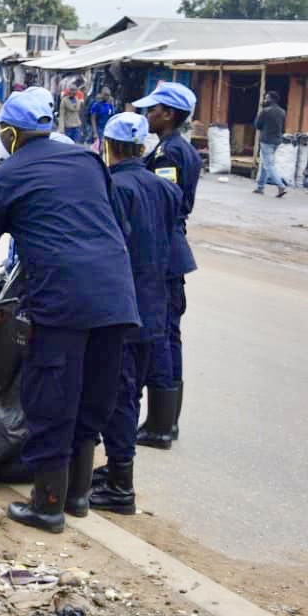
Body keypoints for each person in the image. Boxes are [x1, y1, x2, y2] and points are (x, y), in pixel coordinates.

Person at [0, 87, 140, 533]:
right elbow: (118, 225)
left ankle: (47, 506)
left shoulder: (4, 177)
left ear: (10, 132)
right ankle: (78, 497)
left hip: (62, 302)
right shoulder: (88, 161)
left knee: (52, 399)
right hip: (117, 297)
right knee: (95, 396)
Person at [88, 113, 181, 515]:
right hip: (155, 304)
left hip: (123, 307)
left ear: (107, 145)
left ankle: (121, 484)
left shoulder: (111, 187)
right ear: (142, 147)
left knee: (120, 395)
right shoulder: (165, 189)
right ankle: (114, 470)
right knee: (132, 389)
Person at [135, 81, 201, 448]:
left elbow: (164, 202)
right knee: (169, 335)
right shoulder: (173, 147)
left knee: (160, 335)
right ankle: (164, 422)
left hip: (163, 251)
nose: (148, 115)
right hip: (171, 250)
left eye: (153, 110)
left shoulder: (170, 154)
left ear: (170, 114)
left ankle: (160, 426)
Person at [253, 90, 289, 197]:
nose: (265, 99)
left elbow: (257, 125)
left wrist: (260, 112)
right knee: (265, 163)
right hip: (277, 141)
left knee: (269, 165)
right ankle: (260, 188)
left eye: (266, 98)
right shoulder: (283, 112)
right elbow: (283, 128)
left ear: (271, 99)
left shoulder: (265, 111)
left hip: (266, 140)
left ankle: (280, 185)